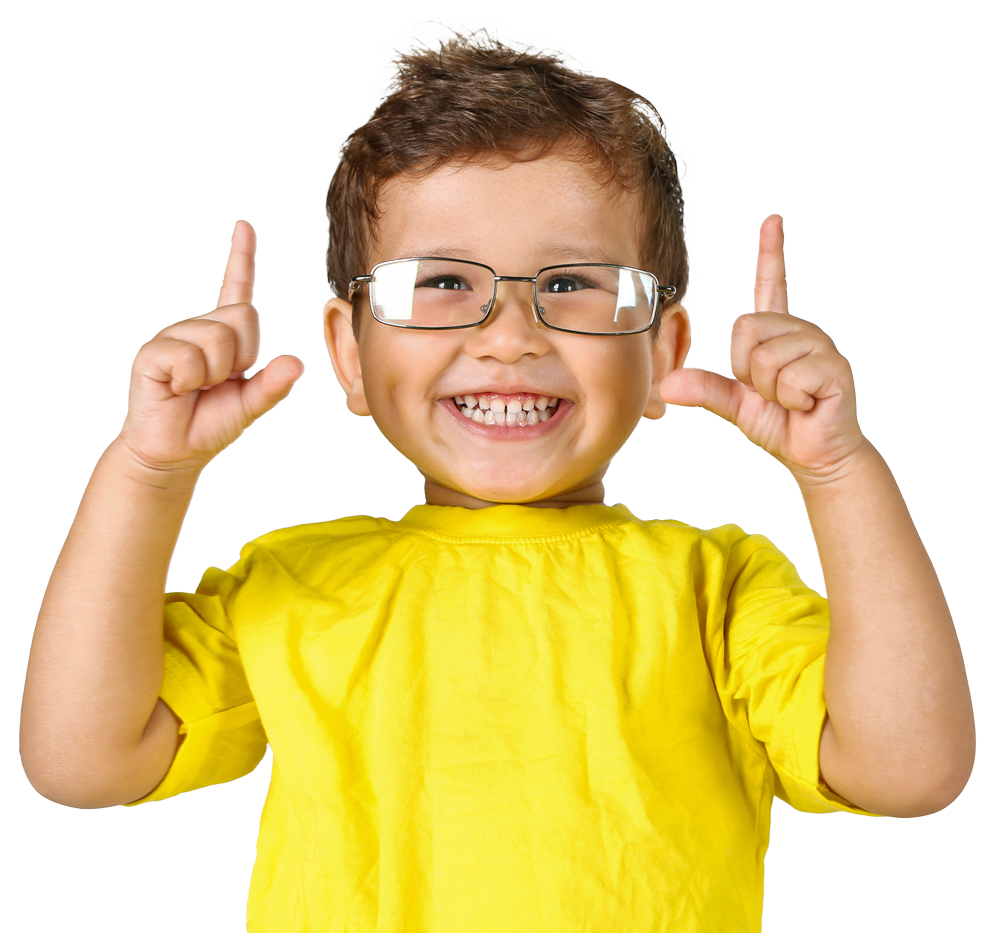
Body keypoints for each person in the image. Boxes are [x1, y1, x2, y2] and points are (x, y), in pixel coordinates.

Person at [19, 25, 974, 933]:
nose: (509, 334)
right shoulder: (293, 588)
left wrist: (841, 471)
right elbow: (81, 758)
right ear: (349, 355)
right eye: (440, 283)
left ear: (661, 350)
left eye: (569, 284)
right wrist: (145, 472)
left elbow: (911, 768)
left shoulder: (714, 593)